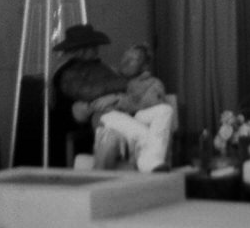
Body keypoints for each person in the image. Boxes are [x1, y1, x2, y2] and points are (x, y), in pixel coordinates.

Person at [51, 24, 174, 172]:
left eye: (133, 59)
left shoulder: (108, 69)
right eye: (92, 46)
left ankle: (149, 160)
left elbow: (146, 99)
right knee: (138, 134)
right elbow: (90, 94)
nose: (97, 49)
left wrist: (115, 98)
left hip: (128, 115)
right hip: (105, 116)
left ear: (145, 66)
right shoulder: (70, 73)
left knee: (165, 110)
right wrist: (117, 93)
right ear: (81, 50)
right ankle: (151, 163)